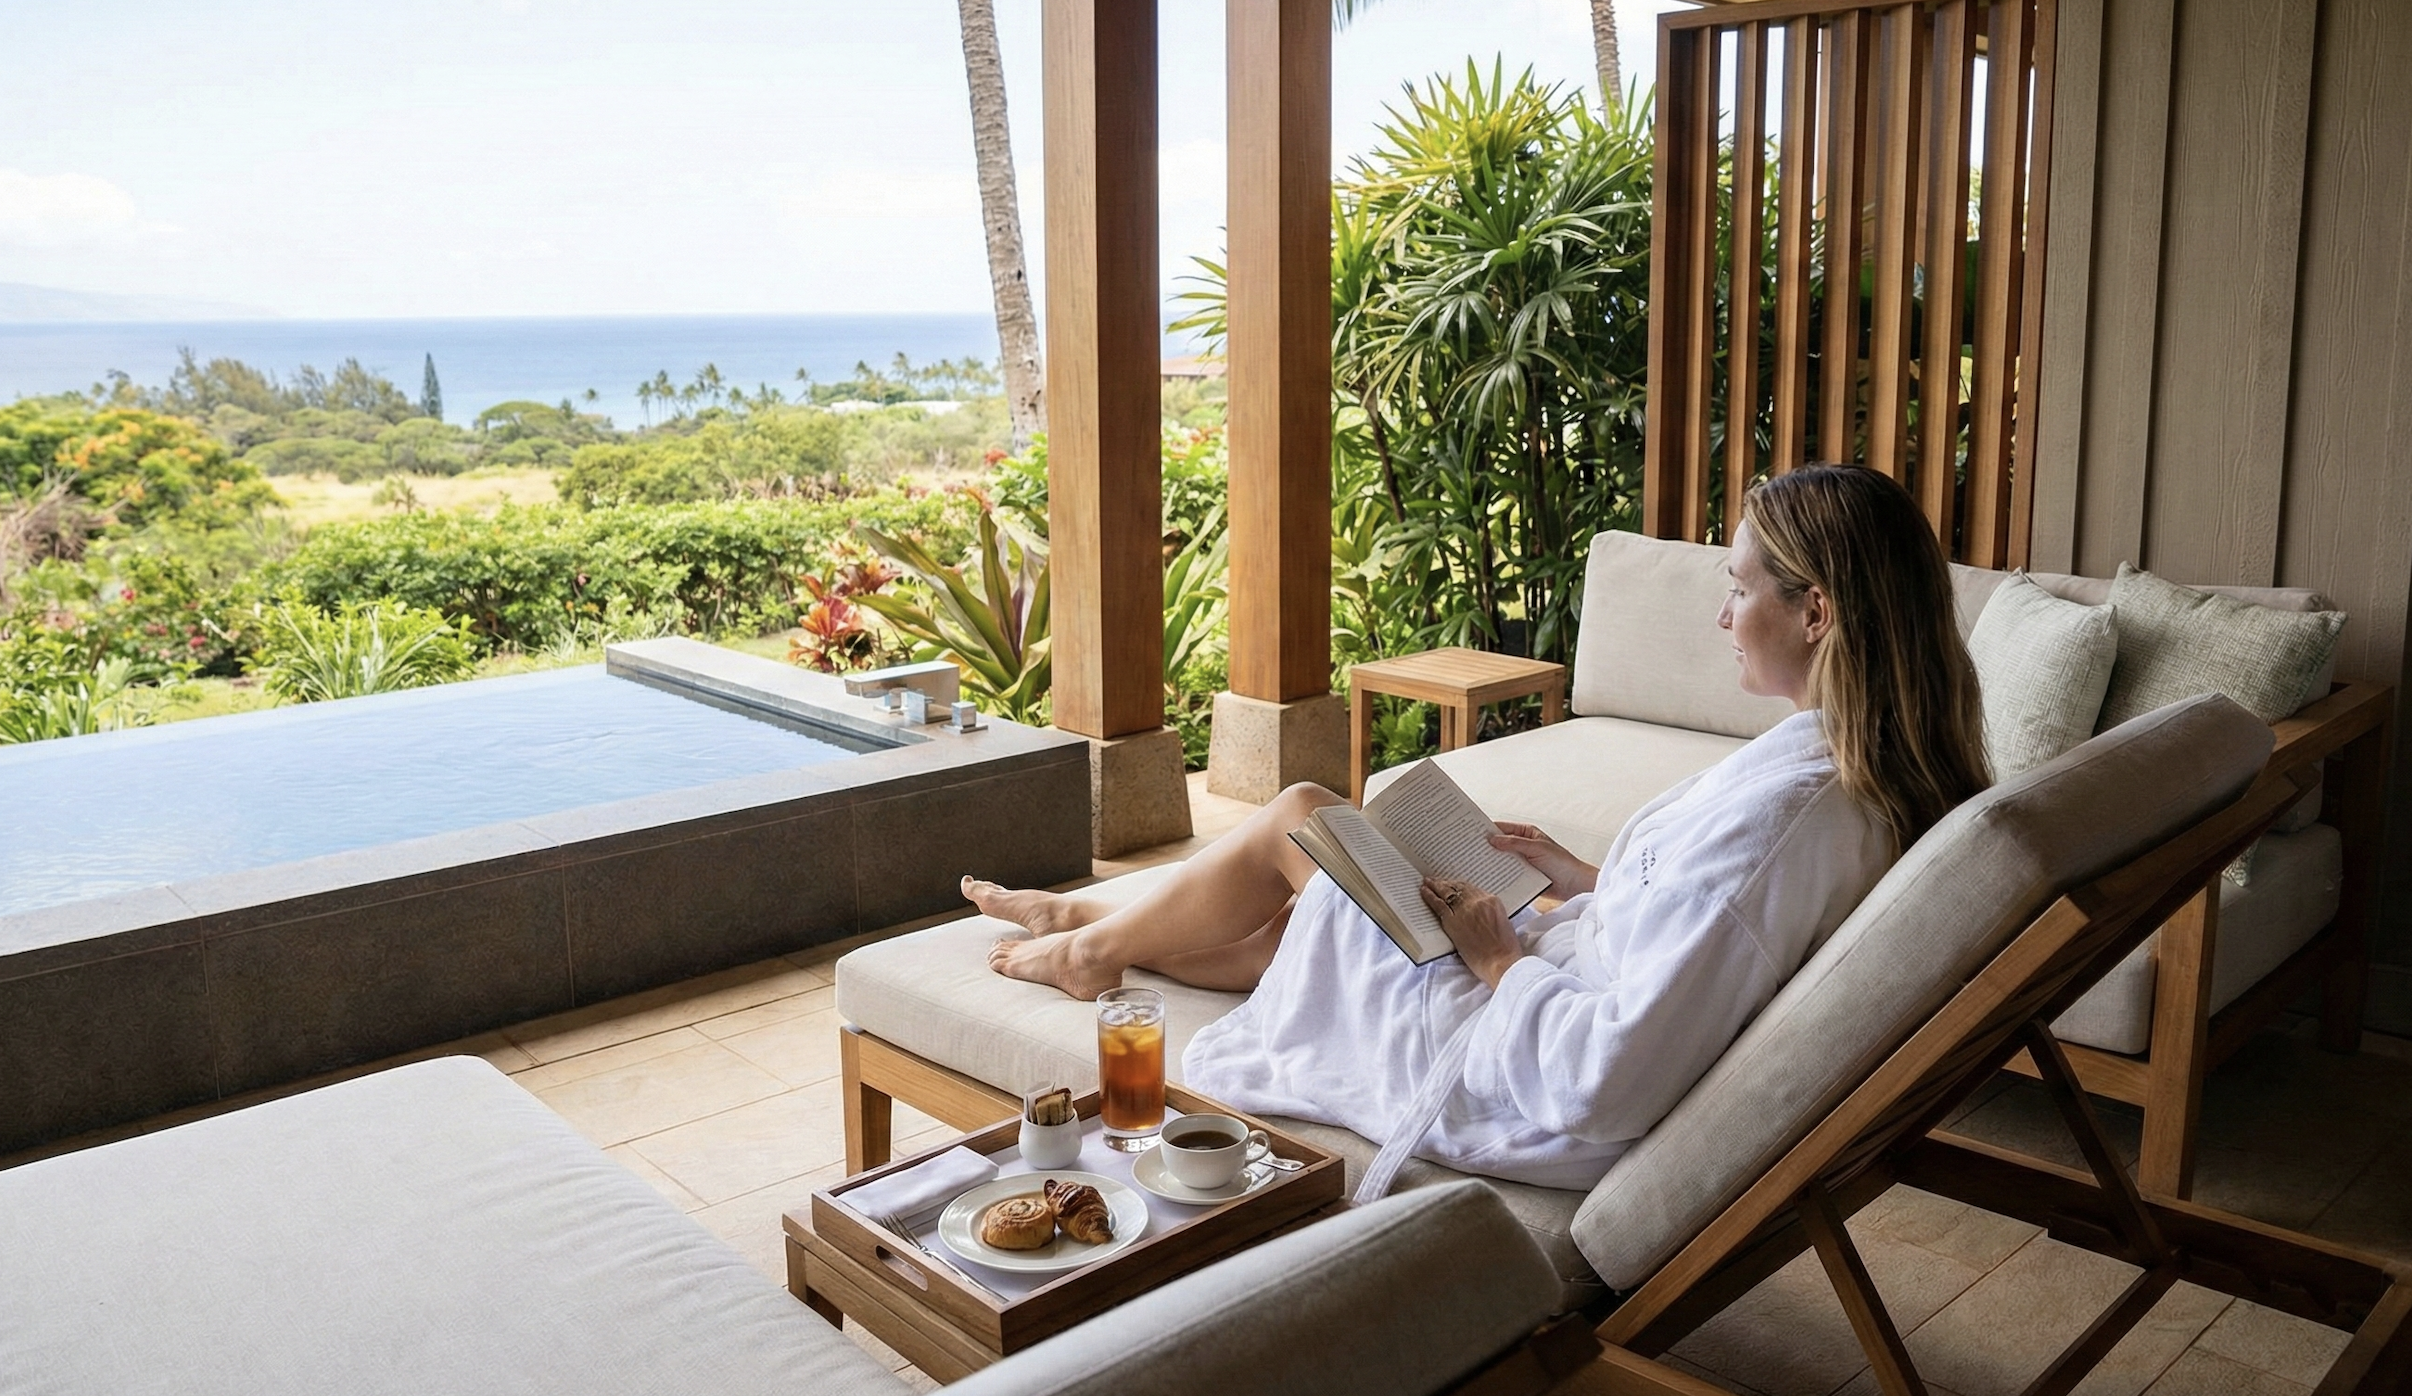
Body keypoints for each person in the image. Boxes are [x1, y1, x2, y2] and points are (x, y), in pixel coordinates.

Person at [966, 464, 1989, 1195]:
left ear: (1815, 613)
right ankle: (1090, 916)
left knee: (1305, 817)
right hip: (1572, 971)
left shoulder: (1784, 820)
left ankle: (1092, 945)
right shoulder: (1862, 781)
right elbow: (1703, 931)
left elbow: (1605, 1075)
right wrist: (1588, 876)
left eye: (1739, 585)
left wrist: (1499, 962)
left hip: (1521, 1070)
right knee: (1304, 928)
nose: (1723, 616)